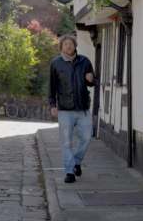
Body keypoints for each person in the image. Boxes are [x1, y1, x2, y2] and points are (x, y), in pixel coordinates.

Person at [48, 33, 95, 184]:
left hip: (82, 108)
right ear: (61, 47)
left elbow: (92, 81)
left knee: (87, 138)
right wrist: (52, 105)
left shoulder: (84, 61)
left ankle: (76, 162)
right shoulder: (56, 63)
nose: (69, 46)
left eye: (71, 44)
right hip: (64, 109)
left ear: (75, 46)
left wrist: (91, 79)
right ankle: (69, 172)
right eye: (65, 44)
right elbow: (52, 87)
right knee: (66, 142)